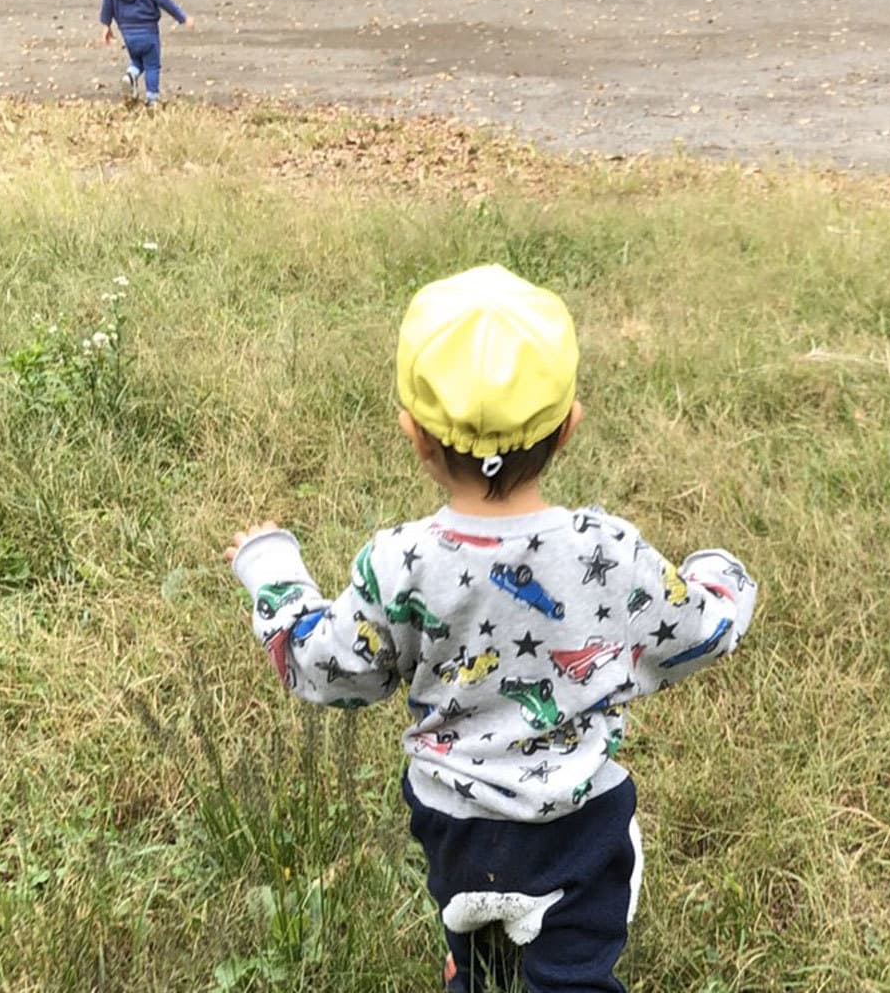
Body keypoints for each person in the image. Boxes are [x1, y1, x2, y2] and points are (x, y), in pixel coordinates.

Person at [226, 264, 760, 992]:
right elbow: (700, 629)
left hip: (452, 824)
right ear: (570, 425)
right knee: (572, 974)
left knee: (476, 954)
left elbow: (323, 668)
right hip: (578, 824)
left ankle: (474, 967)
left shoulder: (398, 564)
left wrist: (273, 573)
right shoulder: (608, 551)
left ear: (413, 435)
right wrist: (723, 575)